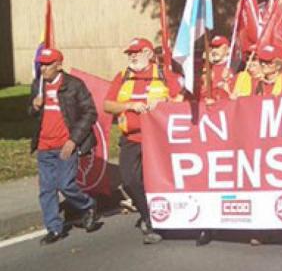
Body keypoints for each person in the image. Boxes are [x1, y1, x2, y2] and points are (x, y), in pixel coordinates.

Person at [103, 37, 181, 244]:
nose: (132, 56)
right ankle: (148, 213)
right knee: (129, 180)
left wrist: (164, 103)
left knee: (160, 181)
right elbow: (108, 105)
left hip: (159, 139)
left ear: (149, 53)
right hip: (131, 138)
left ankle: (157, 222)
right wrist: (129, 105)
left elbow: (182, 100)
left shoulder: (164, 75)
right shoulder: (122, 77)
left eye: (136, 52)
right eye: (130, 53)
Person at [29, 48, 101, 244]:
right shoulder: (38, 85)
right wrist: (35, 106)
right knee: (47, 189)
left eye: (47, 64)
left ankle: (88, 205)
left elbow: (90, 113)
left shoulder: (74, 85)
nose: (42, 68)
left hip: (65, 145)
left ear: (58, 65)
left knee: (66, 185)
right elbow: (32, 114)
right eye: (41, 64)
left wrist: (73, 140)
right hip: (44, 146)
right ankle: (53, 228)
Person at [202, 35, 234, 102]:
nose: (214, 50)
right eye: (212, 47)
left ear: (227, 49)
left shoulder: (234, 66)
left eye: (217, 47)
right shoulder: (206, 67)